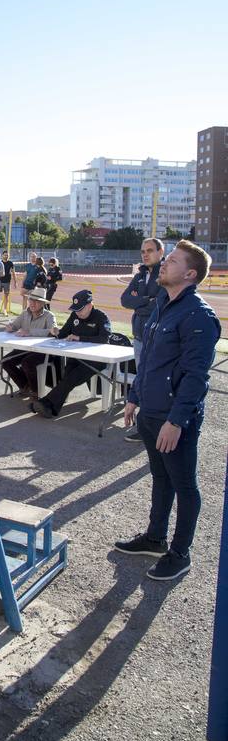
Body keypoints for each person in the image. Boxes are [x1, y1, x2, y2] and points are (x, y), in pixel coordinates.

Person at [115, 240, 220, 581]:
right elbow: (148, 362)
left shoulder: (199, 316)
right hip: (150, 412)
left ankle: (180, 554)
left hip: (175, 419)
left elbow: (195, 377)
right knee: (161, 479)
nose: (164, 264)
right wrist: (134, 396)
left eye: (172, 261)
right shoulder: (163, 304)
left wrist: (177, 420)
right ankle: (155, 538)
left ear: (190, 274)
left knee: (184, 485)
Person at [31, 289, 111, 418]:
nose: (77, 312)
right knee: (67, 377)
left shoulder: (101, 317)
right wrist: (56, 332)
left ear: (90, 305)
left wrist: (79, 338)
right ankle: (51, 408)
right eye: (75, 309)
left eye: (80, 309)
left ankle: (45, 403)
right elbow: (63, 333)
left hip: (96, 359)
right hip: (76, 356)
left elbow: (104, 338)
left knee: (71, 378)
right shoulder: (75, 315)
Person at [120, 237, 165, 442]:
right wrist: (147, 300)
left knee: (155, 383)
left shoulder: (165, 274)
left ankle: (155, 427)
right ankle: (143, 427)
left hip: (157, 339)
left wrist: (139, 302)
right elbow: (125, 299)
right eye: (142, 251)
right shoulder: (139, 275)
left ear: (160, 252)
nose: (145, 254)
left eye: (149, 250)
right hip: (139, 338)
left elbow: (161, 304)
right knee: (143, 382)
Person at [1, 287, 57, 399]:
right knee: (5, 361)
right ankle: (25, 386)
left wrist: (29, 332)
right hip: (24, 349)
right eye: (30, 300)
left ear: (42, 303)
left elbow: (53, 332)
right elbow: (15, 326)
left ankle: (36, 392)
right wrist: (10, 327)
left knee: (27, 362)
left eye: (36, 301)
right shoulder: (24, 314)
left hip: (43, 352)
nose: (32, 303)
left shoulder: (49, 316)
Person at [0, 250, 17, 316]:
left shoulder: (10, 263)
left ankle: (5, 310)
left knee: (6, 296)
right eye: (5, 255)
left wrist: (15, 282)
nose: (6, 256)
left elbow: (13, 272)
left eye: (7, 255)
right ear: (2, 255)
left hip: (7, 282)